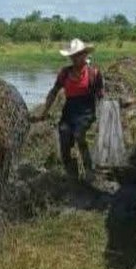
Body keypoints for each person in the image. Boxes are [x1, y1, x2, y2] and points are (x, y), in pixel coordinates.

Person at [35, 38, 104, 180]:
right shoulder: (65, 73)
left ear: (85, 55)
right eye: (72, 56)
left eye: (78, 55)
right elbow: (53, 92)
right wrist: (44, 112)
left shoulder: (94, 74)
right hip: (69, 111)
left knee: (79, 134)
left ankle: (88, 169)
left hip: (86, 111)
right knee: (64, 134)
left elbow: (101, 96)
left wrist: (103, 117)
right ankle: (71, 173)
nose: (75, 58)